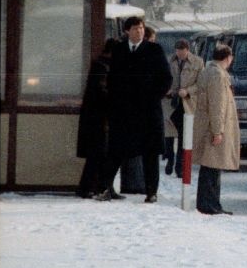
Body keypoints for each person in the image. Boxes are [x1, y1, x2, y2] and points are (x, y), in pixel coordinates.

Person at [100, 16, 172, 203]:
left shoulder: (154, 50)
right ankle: (106, 187)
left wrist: (154, 96)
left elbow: (166, 78)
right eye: (134, 29)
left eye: (141, 28)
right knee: (117, 150)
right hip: (124, 112)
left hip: (148, 111)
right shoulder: (119, 50)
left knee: (150, 153)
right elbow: (113, 80)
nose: (139, 31)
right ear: (127, 31)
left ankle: (151, 192)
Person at [192, 44, 240, 215]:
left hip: (206, 125)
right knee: (213, 167)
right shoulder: (218, 75)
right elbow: (217, 105)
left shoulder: (207, 71)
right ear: (228, 58)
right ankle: (210, 205)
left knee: (209, 167)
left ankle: (208, 203)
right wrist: (218, 130)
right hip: (213, 127)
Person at [76, 39, 118, 198]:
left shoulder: (101, 65)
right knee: (98, 154)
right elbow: (102, 91)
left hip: (96, 117)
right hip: (98, 118)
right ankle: (89, 188)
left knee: (98, 155)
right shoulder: (103, 66)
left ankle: (96, 187)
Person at [164, 39, 202, 175]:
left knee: (184, 135)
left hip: (187, 103)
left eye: (182, 51)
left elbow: (200, 83)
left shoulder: (198, 62)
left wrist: (188, 91)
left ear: (187, 50)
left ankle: (180, 166)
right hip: (171, 102)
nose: (179, 54)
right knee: (168, 134)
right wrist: (167, 90)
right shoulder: (169, 61)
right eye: (177, 51)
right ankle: (169, 158)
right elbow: (163, 78)